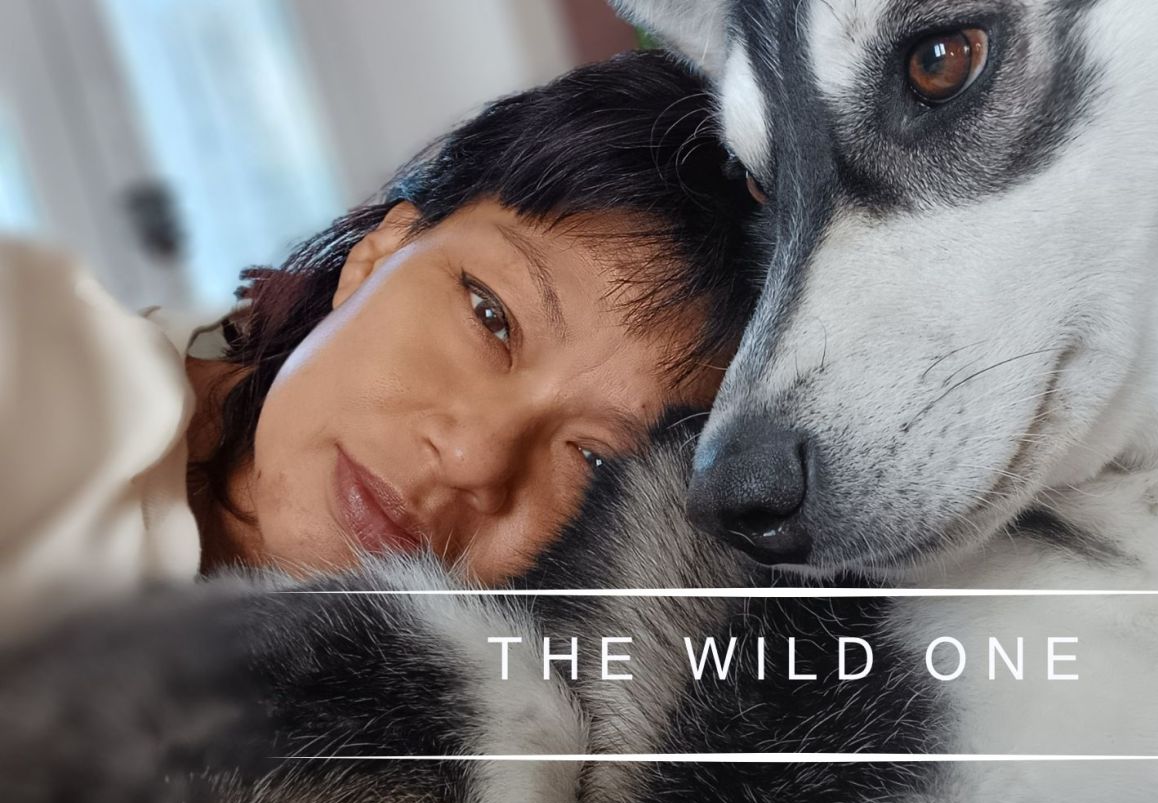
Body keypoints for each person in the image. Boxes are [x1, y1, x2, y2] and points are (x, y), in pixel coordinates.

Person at [0, 52, 759, 632]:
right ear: (378, 254)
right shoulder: (31, 365)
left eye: (596, 461)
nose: (472, 458)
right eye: (490, 318)